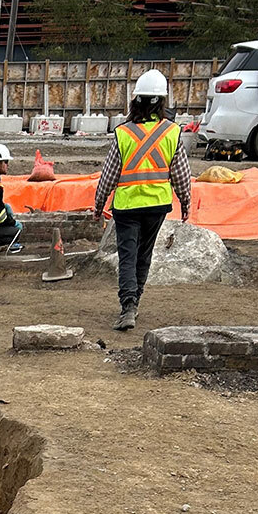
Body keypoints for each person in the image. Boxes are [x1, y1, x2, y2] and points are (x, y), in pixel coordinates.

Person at [93, 69, 192, 330]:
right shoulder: (172, 132)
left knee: (128, 255)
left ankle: (128, 307)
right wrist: (185, 202)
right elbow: (181, 173)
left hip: (126, 207)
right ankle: (135, 301)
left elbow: (109, 174)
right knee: (144, 256)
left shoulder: (124, 133)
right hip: (157, 205)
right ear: (162, 102)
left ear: (135, 100)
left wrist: (98, 204)